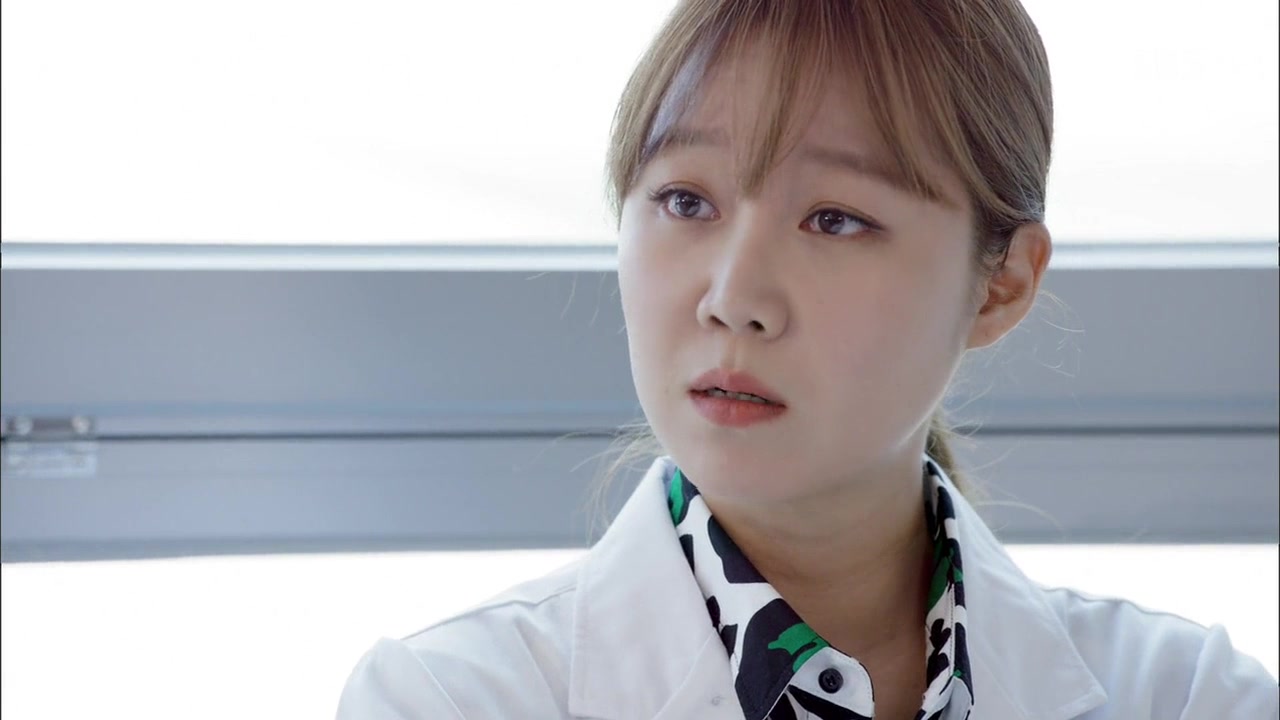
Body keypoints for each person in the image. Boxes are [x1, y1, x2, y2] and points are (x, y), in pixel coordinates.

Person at [336, 1, 1279, 717]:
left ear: (1000, 285)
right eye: (685, 201)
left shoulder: (1191, 697)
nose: (733, 296)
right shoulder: (450, 698)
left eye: (835, 219)